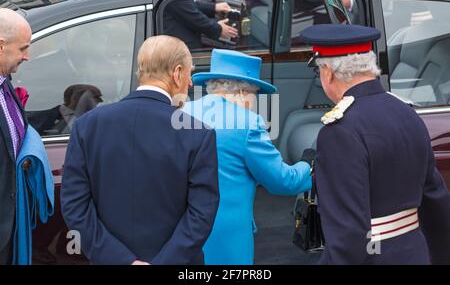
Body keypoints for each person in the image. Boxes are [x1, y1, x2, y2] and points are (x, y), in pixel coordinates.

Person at [61, 35, 220, 265]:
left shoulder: (87, 125)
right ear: (176, 73)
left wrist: (120, 260)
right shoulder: (198, 133)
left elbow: (75, 206)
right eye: (189, 73)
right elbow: (202, 213)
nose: (191, 83)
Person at [298, 24, 450, 264]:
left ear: (328, 72)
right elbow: (436, 200)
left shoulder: (339, 131)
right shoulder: (407, 112)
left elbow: (348, 237)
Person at [182, 49, 313, 264]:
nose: (254, 101)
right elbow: (282, 181)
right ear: (243, 92)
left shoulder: (184, 112)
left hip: (183, 233)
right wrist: (307, 164)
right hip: (227, 238)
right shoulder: (248, 123)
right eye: (255, 94)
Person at [0, 8, 31, 265]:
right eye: (23, 48)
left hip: (8, 229)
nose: (27, 56)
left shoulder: (5, 82)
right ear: (1, 46)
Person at [28, 84, 103, 136]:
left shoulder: (99, 120)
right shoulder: (37, 119)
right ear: (75, 98)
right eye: (95, 97)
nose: (99, 101)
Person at [164, 0, 238, 50]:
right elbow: (192, 15)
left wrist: (214, 7)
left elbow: (190, 3)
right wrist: (218, 29)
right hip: (181, 52)